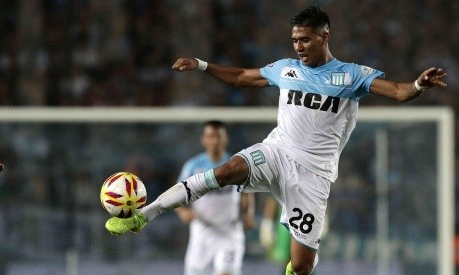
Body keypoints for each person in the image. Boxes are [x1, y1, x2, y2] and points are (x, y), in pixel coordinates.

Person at [105, 5, 447, 275]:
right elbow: (240, 76)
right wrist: (201, 64)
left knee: (301, 266)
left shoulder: (352, 75)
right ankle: (143, 216)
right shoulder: (286, 68)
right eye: (295, 40)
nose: (299, 47)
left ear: (325, 37)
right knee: (225, 172)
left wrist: (419, 85)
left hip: (314, 176)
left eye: (306, 40)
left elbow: (400, 91)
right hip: (277, 151)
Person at [174, 120, 254, 275]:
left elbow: (246, 191)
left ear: (226, 139)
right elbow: (176, 194)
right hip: (202, 231)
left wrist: (248, 213)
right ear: (203, 140)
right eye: (210, 136)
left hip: (230, 231)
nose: (215, 140)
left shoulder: (235, 165)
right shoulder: (193, 166)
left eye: (218, 136)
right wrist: (182, 212)